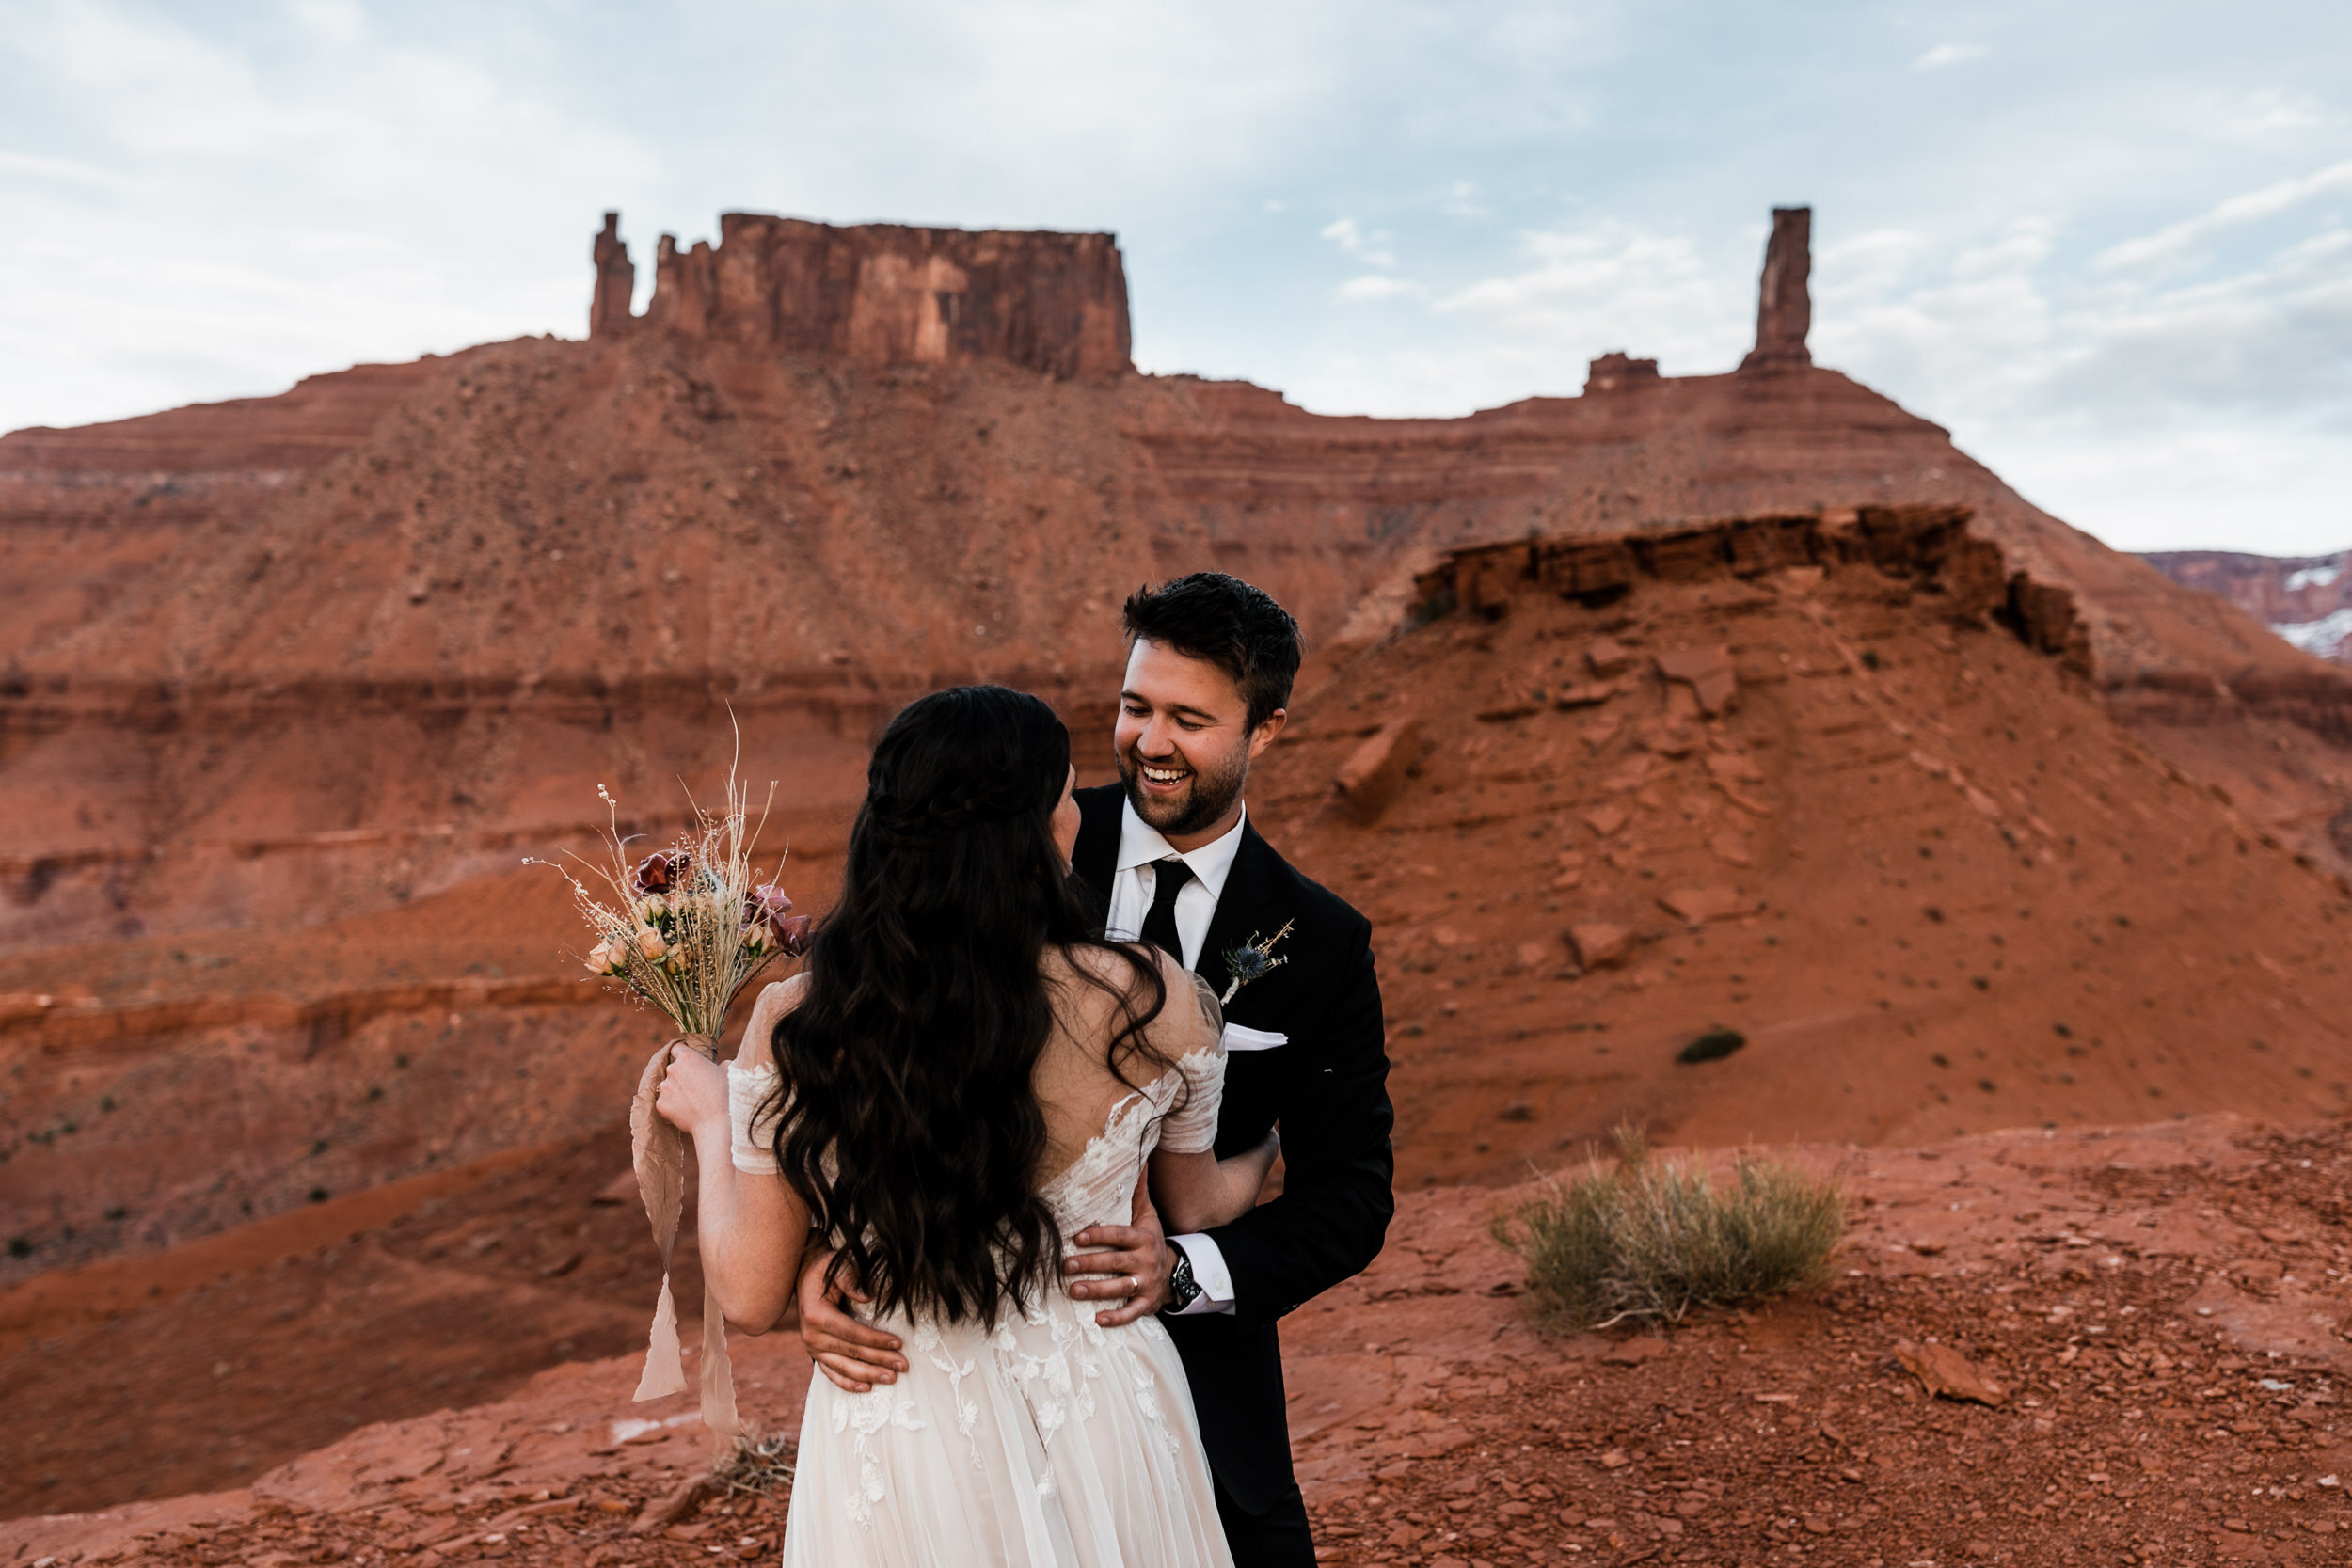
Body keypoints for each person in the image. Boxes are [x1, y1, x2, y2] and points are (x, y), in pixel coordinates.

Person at [801, 574, 1395, 1567]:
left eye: (1189, 719)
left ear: (1267, 730)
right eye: (1134, 706)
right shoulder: (1006, 830)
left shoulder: (1323, 941)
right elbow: (869, 1046)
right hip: (955, 1410)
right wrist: (832, 1256)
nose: (1149, 742)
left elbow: (1351, 1195)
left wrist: (1187, 1272)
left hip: (1200, 1405)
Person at [651, 684, 1282, 1566]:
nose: (1078, 813)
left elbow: (749, 1292)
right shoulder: (1149, 998)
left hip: (900, 1408)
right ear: (1028, 832)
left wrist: (716, 1118)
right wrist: (1271, 1148)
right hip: (1097, 1398)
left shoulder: (804, 1021)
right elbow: (1199, 1204)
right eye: (1066, 792)